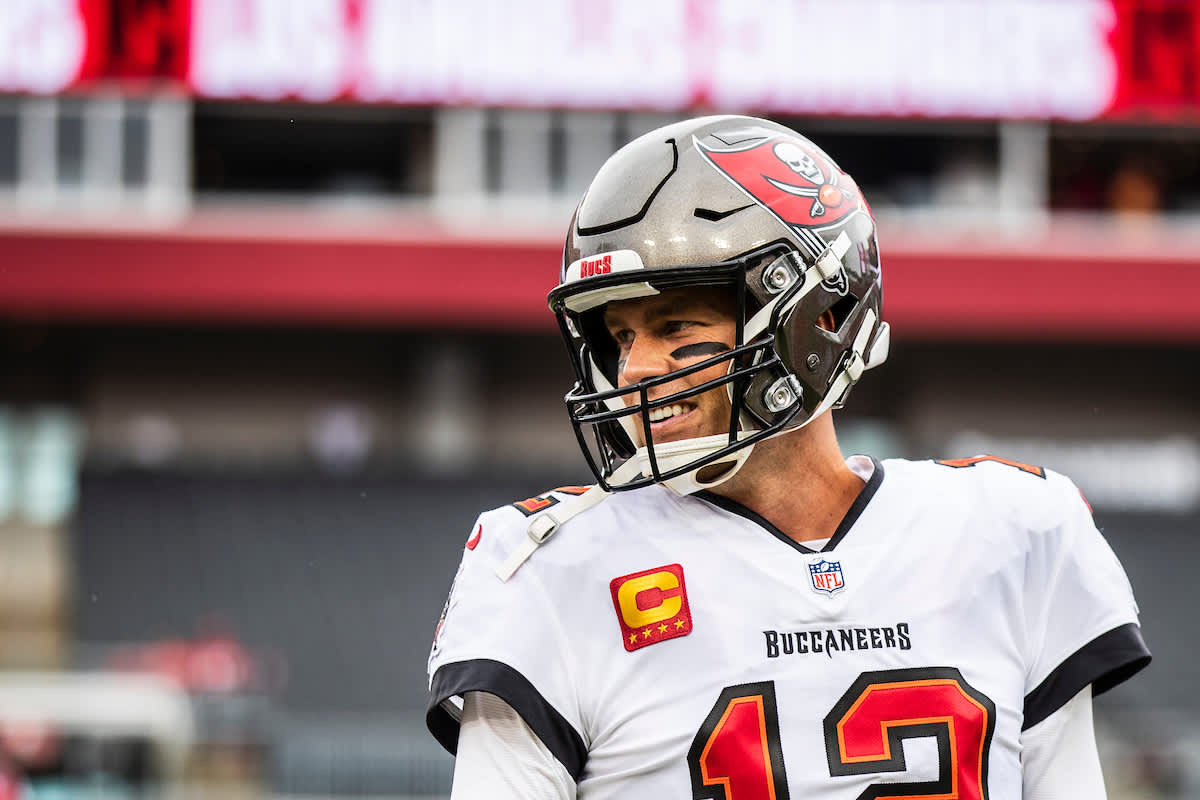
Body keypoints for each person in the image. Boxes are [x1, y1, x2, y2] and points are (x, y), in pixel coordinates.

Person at [425, 115, 1150, 798]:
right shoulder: (547, 566)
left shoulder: (1012, 532)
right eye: (619, 337)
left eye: (676, 326)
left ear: (818, 319)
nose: (634, 369)